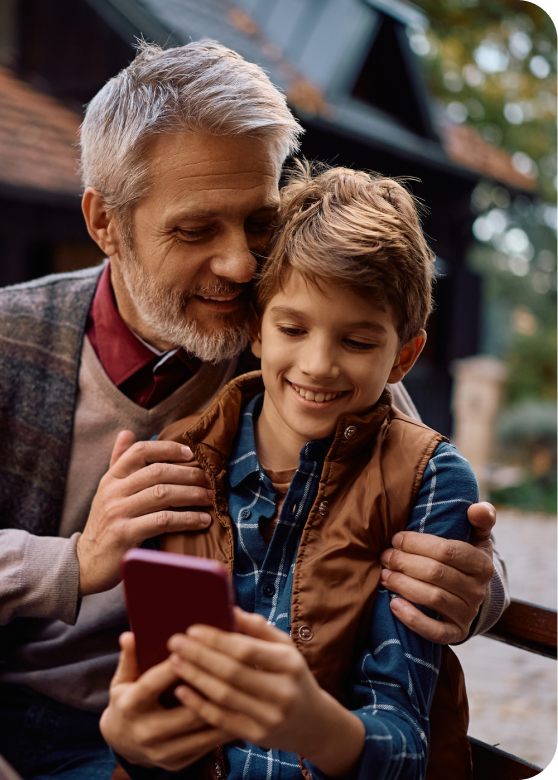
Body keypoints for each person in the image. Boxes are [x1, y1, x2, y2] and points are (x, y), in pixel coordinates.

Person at [0, 41, 504, 779]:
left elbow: (407, 476)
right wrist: (73, 562)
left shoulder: (294, 338)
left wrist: (477, 590)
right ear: (106, 224)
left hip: (199, 744)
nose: (241, 266)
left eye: (256, 222)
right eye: (195, 230)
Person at [104, 163, 481, 780]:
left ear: (403, 356)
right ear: (255, 327)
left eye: (358, 342)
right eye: (293, 328)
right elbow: (151, 691)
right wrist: (129, 741)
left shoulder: (431, 481)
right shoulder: (180, 458)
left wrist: (314, 725)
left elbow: (407, 744)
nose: (318, 364)